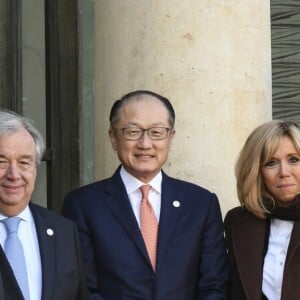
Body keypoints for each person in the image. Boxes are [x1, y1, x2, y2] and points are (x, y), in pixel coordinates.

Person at [62, 90, 228, 300]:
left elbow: (214, 286)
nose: (145, 144)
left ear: (171, 137)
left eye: (157, 132)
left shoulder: (201, 204)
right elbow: (83, 288)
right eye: (132, 132)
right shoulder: (83, 205)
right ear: (113, 138)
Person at [0, 110, 88, 300]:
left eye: (24, 163)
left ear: (35, 169)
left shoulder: (64, 231)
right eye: (2, 162)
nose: (13, 174)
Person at [224, 120, 300, 300]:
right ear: (256, 171)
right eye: (271, 163)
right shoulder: (238, 221)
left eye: (294, 160)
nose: (284, 172)